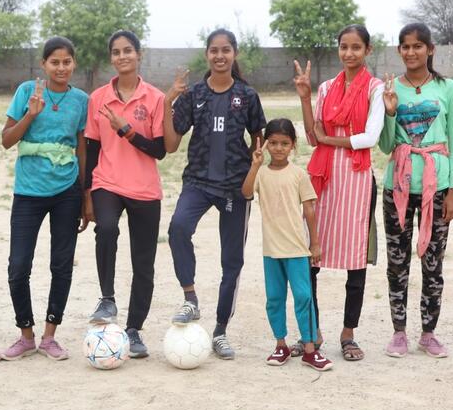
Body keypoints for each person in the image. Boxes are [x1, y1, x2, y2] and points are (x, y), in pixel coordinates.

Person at [163, 28, 266, 360]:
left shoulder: (247, 96)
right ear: (207, 54)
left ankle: (221, 331)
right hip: (198, 182)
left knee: (231, 261)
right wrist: (169, 102)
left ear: (234, 54)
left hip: (235, 187)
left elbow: (258, 136)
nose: (219, 56)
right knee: (178, 228)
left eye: (226, 50)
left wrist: (253, 169)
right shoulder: (194, 94)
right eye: (213, 50)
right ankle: (190, 298)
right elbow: (172, 142)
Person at [293, 24, 385, 362]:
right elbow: (312, 137)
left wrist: (331, 139)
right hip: (324, 177)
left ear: (367, 50)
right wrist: (305, 97)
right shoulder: (327, 87)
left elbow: (369, 138)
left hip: (357, 179)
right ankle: (313, 329)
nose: (349, 53)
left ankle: (348, 333)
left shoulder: (375, 89)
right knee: (311, 257)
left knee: (356, 259)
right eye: (344, 47)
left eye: (356, 47)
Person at [0, 37, 90, 361]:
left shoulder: (81, 100)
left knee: (61, 264)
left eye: (67, 61)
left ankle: (50, 336)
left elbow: (81, 147)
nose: (61, 67)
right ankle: (25, 334)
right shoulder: (27, 92)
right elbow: (7, 140)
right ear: (43, 65)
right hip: (28, 191)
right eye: (55, 62)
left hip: (67, 191)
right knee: (18, 265)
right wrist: (30, 115)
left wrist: (84, 196)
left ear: (73, 64)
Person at [378, 23, 453, 359]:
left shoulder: (448, 89)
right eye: (405, 46)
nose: (411, 52)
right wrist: (388, 112)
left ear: (430, 49)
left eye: (417, 46)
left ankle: (429, 333)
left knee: (433, 262)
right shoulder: (389, 88)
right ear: (399, 50)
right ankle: (398, 331)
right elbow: (386, 144)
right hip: (397, 186)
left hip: (438, 187)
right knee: (396, 262)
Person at [84, 30, 166, 358]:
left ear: (139, 54)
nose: (122, 56)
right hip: (107, 181)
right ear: (111, 58)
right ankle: (107, 298)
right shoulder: (98, 98)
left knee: (143, 263)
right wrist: (86, 193)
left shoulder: (155, 98)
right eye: (116, 52)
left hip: (145, 188)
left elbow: (159, 150)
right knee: (105, 228)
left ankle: (134, 329)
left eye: (128, 50)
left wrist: (125, 129)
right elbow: (91, 147)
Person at [242, 119, 331, 371]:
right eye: (273, 143)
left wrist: (315, 244)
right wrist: (254, 165)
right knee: (274, 298)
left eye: (284, 143)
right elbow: (246, 192)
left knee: (304, 297)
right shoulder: (261, 173)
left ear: (293, 145)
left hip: (296, 250)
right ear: (266, 144)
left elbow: (310, 210)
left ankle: (310, 350)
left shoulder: (299, 174)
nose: (279, 148)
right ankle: (280, 344)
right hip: (271, 251)